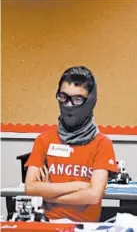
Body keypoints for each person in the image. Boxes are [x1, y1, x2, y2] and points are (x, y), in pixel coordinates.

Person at [24, 66, 118, 222]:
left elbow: (94, 195)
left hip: (85, 227)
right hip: (48, 225)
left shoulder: (102, 144)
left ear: (90, 101)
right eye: (63, 97)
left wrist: (51, 197)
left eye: (77, 99)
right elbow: (31, 188)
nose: (68, 105)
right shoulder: (44, 140)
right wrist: (80, 185)